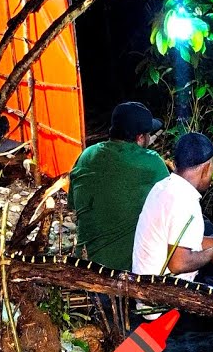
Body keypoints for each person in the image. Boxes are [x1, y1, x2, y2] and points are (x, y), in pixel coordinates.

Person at [132, 132, 213, 283]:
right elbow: (178, 263)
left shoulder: (164, 187)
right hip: (168, 299)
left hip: (146, 290)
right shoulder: (184, 200)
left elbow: (183, 243)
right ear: (206, 168)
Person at [68, 102, 169, 271]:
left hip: (84, 266)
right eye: (148, 134)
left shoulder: (86, 155)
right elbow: (174, 208)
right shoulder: (151, 162)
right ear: (140, 138)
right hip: (122, 274)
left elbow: (72, 205)